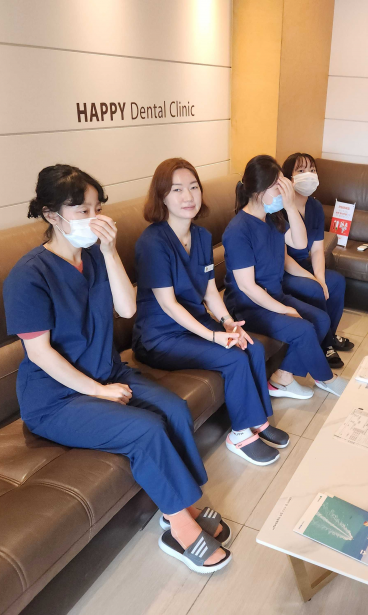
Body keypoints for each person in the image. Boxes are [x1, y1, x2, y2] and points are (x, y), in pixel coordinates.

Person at [3, 164, 231, 574]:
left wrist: (109, 252)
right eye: (82, 211)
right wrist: (98, 391)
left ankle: (181, 504)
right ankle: (180, 528)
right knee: (146, 429)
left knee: (174, 409)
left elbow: (127, 309)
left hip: (109, 372)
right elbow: (39, 354)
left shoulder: (96, 256)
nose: (94, 219)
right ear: (51, 215)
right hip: (56, 399)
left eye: (97, 209)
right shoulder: (28, 276)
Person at [132, 158, 290, 466]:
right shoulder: (152, 242)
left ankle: (258, 421)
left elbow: (208, 291)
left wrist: (228, 323)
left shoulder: (202, 236)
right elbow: (168, 304)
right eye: (177, 190)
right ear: (162, 196)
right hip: (160, 336)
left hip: (196, 323)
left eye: (193, 187)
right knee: (233, 358)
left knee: (251, 346)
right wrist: (214, 336)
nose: (188, 196)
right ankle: (239, 435)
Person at [221, 155, 348, 400]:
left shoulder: (272, 218)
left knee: (321, 319)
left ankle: (282, 378)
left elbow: (300, 242)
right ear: (258, 191)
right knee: (303, 328)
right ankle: (326, 378)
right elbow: (247, 287)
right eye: (278, 187)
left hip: (274, 295)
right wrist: (285, 310)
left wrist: (290, 207)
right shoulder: (238, 230)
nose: (283, 193)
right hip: (248, 307)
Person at [281, 152, 353, 368]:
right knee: (314, 288)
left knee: (336, 281)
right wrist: (313, 279)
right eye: (301, 170)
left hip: (305, 266)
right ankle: (326, 344)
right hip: (285, 271)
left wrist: (320, 277)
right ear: (288, 178)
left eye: (312, 170)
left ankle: (328, 334)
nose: (309, 175)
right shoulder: (280, 210)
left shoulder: (315, 206)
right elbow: (283, 258)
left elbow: (317, 250)